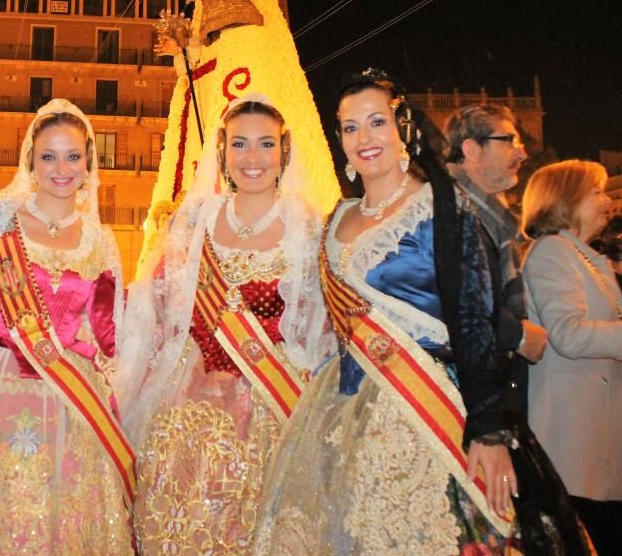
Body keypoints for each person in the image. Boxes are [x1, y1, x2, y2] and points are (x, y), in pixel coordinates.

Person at [254, 69, 591, 555]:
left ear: (403, 128)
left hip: (433, 408)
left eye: (376, 122)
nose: (363, 138)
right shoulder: (337, 217)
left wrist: (490, 431)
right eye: (350, 127)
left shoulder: (441, 206)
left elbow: (473, 320)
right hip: (342, 409)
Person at [117, 94, 331, 554]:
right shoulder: (194, 220)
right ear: (222, 153)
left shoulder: (309, 228)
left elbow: (322, 328)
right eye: (239, 144)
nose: (252, 158)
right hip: (187, 402)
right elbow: (153, 312)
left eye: (265, 145)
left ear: (284, 152)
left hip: (272, 404)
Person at [0, 99, 132, 554]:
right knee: (7, 513)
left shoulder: (101, 241)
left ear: (89, 163)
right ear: (30, 159)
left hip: (74, 399)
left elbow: (107, 334)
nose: (61, 168)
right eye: (49, 155)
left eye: (73, 156)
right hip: (0, 391)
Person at [142, 0, 339, 267]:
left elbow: (257, 36)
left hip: (241, 85)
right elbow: (202, 50)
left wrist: (227, 52)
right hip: (212, 93)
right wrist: (183, 50)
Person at [521, 159, 622, 553]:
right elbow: (568, 334)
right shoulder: (553, 252)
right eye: (595, 191)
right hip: (573, 441)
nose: (606, 200)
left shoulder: (584, 256)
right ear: (565, 200)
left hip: (597, 440)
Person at [444, 104, 547, 413]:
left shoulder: (489, 212)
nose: (522, 153)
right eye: (510, 140)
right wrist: (515, 333)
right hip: (463, 391)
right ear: (472, 149)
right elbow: (450, 290)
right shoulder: (447, 210)